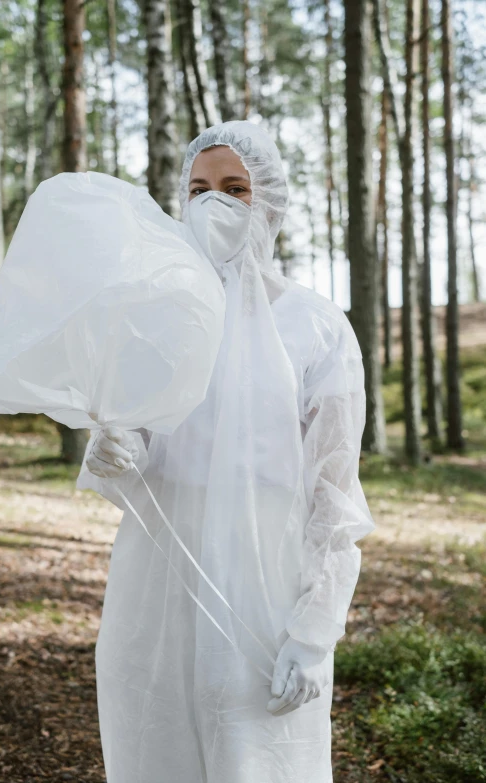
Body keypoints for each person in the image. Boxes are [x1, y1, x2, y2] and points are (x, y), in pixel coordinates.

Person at [76, 120, 376, 783]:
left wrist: (313, 630)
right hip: (158, 580)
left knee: (257, 755)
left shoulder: (316, 327)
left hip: (265, 579)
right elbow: (139, 452)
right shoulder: (160, 317)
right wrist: (116, 448)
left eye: (235, 188)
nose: (215, 203)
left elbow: (333, 494)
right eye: (199, 188)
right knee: (158, 745)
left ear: (267, 200)